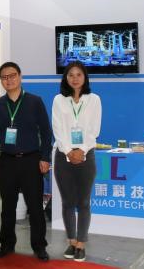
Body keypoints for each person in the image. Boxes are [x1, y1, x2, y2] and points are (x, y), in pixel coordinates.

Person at [0, 61, 52, 262]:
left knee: (35, 207)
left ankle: (39, 246)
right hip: (7, 162)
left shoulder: (35, 101)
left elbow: (46, 131)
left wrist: (45, 157)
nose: (9, 80)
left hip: (31, 161)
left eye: (12, 75)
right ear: (1, 81)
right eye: (4, 77)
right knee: (8, 207)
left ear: (20, 76)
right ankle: (7, 244)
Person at [52, 61, 101, 263]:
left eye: (78, 74)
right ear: (65, 78)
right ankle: (71, 241)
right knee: (67, 202)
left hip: (86, 156)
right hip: (63, 157)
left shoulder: (94, 100)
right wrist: (68, 151)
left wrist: (81, 150)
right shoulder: (59, 100)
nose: (74, 78)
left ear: (85, 77)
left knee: (83, 202)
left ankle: (81, 243)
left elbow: (94, 130)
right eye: (70, 75)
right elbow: (57, 129)